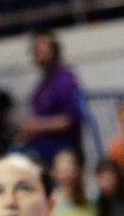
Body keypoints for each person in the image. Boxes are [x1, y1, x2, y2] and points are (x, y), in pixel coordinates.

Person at [17, 32, 82, 162]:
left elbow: (71, 119)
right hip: (40, 147)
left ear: (55, 52)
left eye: (45, 52)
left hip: (63, 149)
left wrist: (38, 126)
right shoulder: (42, 84)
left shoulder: (65, 80)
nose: (41, 57)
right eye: (37, 53)